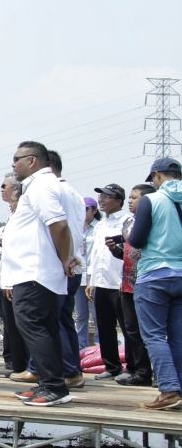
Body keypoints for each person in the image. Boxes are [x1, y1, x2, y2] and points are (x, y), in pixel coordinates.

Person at [2, 141, 75, 406]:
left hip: (34, 272)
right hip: (37, 272)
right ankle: (50, 384)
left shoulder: (41, 186)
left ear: (32, 160)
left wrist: (65, 258)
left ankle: (53, 386)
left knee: (33, 327)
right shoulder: (45, 185)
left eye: (16, 159)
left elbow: (60, 226)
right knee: (46, 328)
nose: (13, 164)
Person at [129, 157, 182, 410]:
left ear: (157, 176)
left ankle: (169, 391)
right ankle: (178, 387)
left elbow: (137, 240)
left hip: (155, 274)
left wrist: (128, 236)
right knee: (177, 336)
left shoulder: (153, 199)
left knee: (154, 336)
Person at [107, 184, 156, 386]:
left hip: (144, 284)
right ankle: (139, 370)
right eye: (130, 197)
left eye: (134, 198)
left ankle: (149, 372)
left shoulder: (151, 222)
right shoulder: (131, 223)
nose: (130, 201)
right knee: (131, 330)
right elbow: (129, 255)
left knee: (149, 332)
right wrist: (115, 249)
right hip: (127, 284)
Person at [48, 150, 86, 390]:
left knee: (55, 320)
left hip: (60, 263)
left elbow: (59, 229)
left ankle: (69, 370)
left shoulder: (54, 192)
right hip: (73, 262)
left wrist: (62, 259)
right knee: (64, 319)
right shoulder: (74, 193)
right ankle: (74, 370)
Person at [85, 183, 130, 380]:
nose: (102, 199)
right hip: (101, 282)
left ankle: (133, 366)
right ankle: (111, 366)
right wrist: (91, 280)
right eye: (100, 196)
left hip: (119, 282)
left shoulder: (127, 221)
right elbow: (95, 255)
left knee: (127, 327)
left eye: (107, 196)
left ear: (119, 201)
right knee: (104, 326)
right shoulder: (100, 224)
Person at [0, 174, 29, 376]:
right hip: (6, 279)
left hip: (20, 279)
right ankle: (16, 362)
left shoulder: (24, 218)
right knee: (10, 323)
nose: (1, 190)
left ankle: (25, 365)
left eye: (4, 186)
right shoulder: (12, 218)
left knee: (22, 324)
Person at [74, 198, 101, 348]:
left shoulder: (98, 228)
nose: (82, 212)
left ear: (94, 211)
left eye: (86, 209)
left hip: (94, 276)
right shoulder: (77, 227)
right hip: (80, 275)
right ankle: (81, 347)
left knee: (96, 315)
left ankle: (98, 346)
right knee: (80, 315)